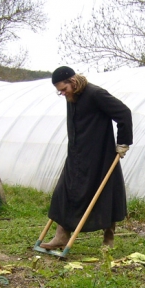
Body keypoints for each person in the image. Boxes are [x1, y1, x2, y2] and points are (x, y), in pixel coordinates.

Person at [41, 66, 133, 250]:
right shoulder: (71, 96)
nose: (63, 94)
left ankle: (109, 237)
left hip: (100, 156)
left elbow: (124, 113)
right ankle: (61, 236)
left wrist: (123, 142)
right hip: (76, 155)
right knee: (64, 192)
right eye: (59, 92)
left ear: (73, 82)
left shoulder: (95, 94)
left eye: (64, 89)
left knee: (105, 194)